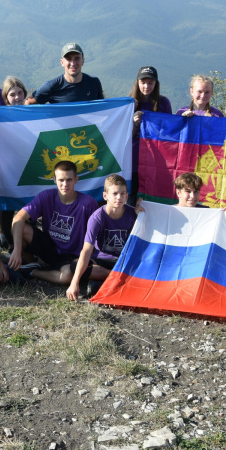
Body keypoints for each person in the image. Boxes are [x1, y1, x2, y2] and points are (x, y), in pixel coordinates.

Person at [8, 160, 100, 285]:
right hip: (50, 247)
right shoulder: (46, 196)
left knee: (67, 276)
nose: (65, 184)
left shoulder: (88, 203)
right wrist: (17, 250)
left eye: (69, 180)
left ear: (76, 179)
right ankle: (30, 262)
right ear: (54, 180)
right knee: (20, 226)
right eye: (61, 180)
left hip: (72, 255)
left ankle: (33, 271)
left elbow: (97, 233)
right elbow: (18, 218)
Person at [66, 174, 137, 301]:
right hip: (102, 261)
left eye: (122, 193)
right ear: (105, 196)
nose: (119, 197)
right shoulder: (97, 217)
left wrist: (144, 213)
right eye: (114, 193)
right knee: (75, 265)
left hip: (124, 261)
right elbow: (86, 250)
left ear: (127, 196)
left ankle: (103, 283)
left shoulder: (133, 214)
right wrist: (74, 282)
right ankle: (119, 279)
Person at [130, 66, 171, 203]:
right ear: (137, 82)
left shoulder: (163, 103)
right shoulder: (130, 103)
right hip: (134, 160)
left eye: (150, 83)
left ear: (156, 84)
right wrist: (135, 124)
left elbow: (169, 132)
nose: (146, 86)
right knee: (131, 200)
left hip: (156, 160)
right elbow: (124, 137)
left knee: (152, 201)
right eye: (143, 82)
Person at [0, 76, 29, 248]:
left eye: (20, 93)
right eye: (12, 94)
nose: (17, 97)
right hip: (7, 167)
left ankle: (27, 240)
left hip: (29, 165)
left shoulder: (32, 113)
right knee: (7, 205)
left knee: (30, 204)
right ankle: (8, 239)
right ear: (6, 97)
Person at [27, 43, 104, 104]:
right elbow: (27, 102)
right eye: (68, 59)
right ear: (62, 62)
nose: (73, 63)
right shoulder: (51, 86)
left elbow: (103, 108)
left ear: (83, 61)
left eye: (77, 58)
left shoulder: (94, 83)